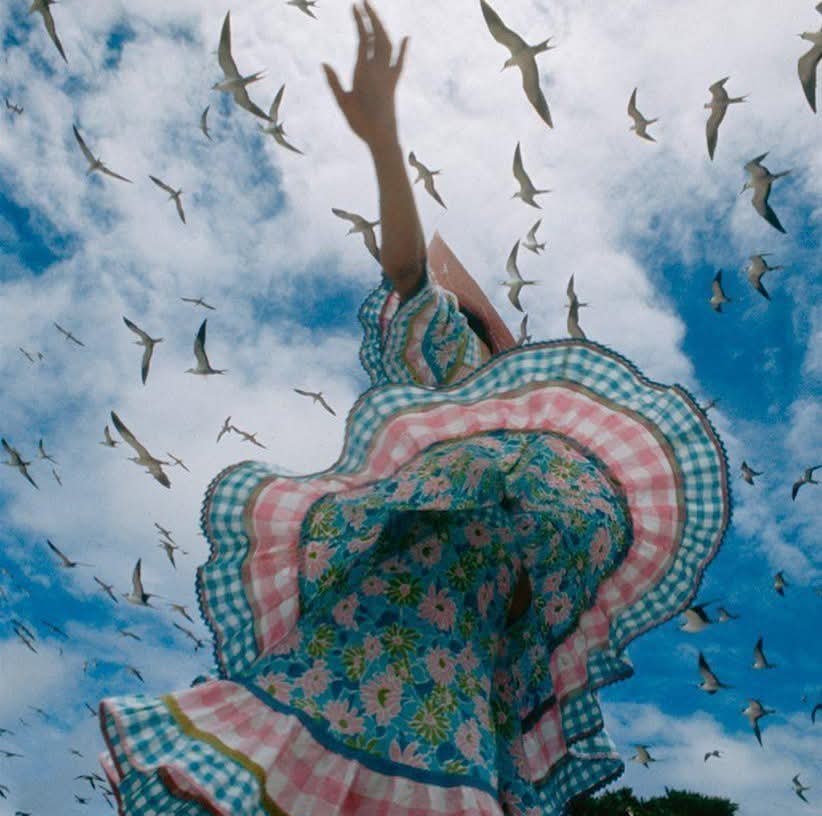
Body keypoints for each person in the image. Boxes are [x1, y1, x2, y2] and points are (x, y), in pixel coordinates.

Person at [98, 3, 730, 814]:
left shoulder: (557, 502)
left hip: (453, 724)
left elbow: (532, 641)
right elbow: (406, 269)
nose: (438, 338)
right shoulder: (448, 381)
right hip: (351, 675)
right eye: (440, 334)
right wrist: (385, 144)